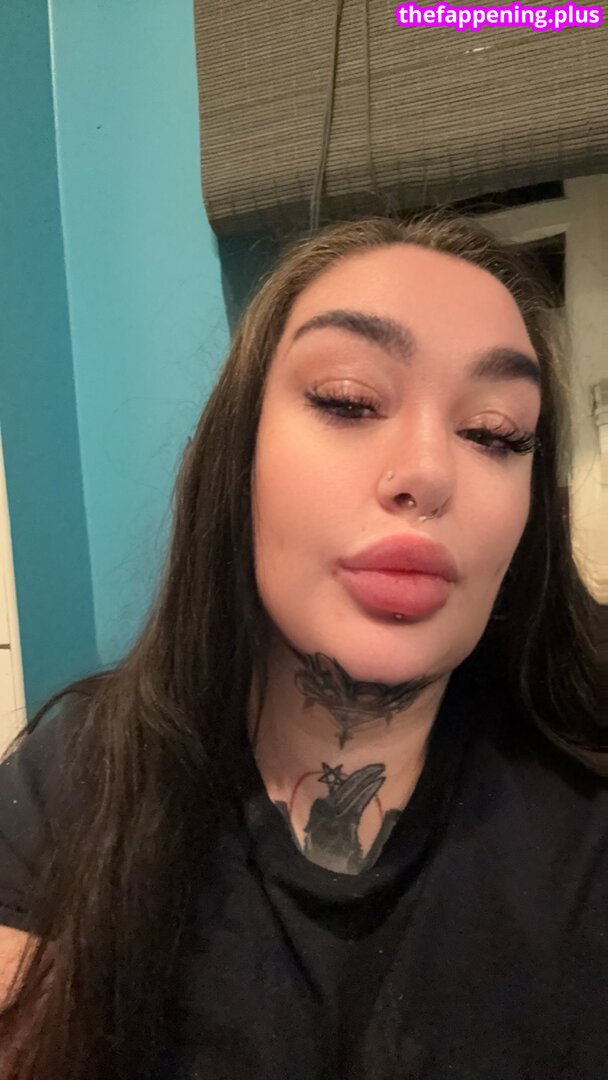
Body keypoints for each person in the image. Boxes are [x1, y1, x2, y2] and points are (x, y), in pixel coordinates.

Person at [0, 210, 604, 1080]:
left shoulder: (582, 817)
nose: (428, 472)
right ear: (238, 461)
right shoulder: (77, 781)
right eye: (348, 400)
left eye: (493, 433)